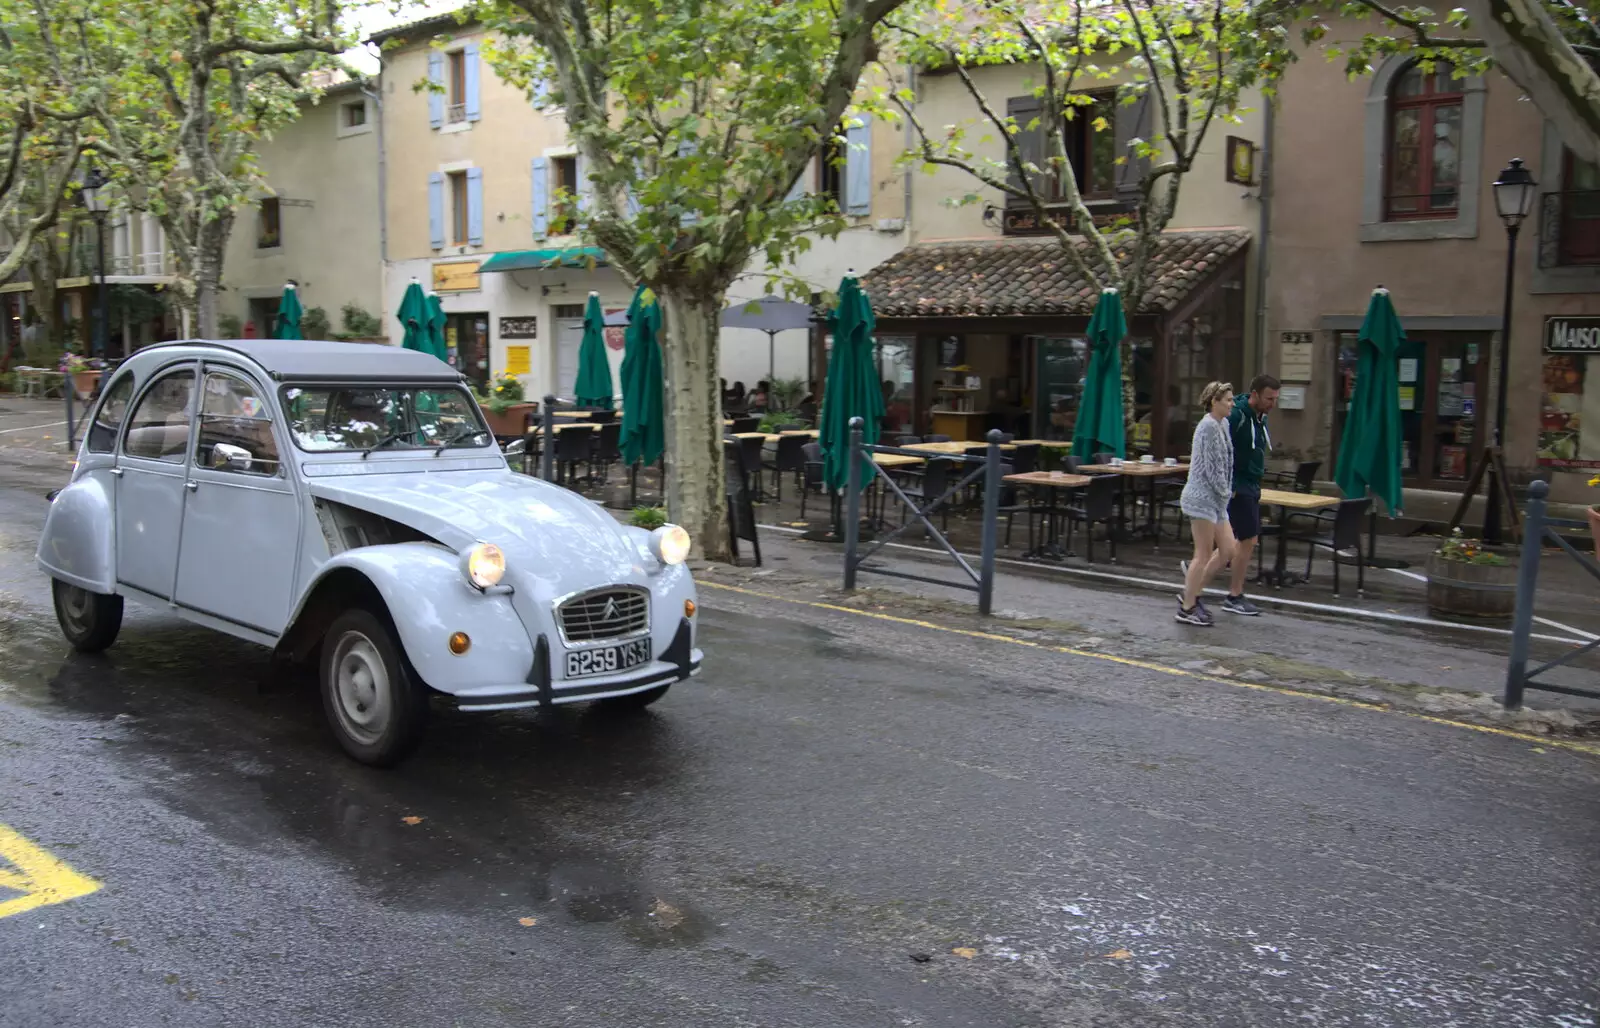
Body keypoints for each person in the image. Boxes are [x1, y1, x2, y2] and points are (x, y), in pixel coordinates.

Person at [1177, 382, 1236, 626]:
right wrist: (1226, 491)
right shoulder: (1208, 426)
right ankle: (1187, 608)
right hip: (1202, 497)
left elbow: (1226, 462)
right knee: (1202, 554)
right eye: (1229, 400)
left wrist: (1224, 493)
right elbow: (1212, 468)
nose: (1232, 404)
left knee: (1228, 551)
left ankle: (1192, 591)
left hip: (1217, 500)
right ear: (1214, 401)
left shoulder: (1224, 424)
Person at [1222, 373, 1280, 615]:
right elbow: (1224, 448)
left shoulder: (1260, 416)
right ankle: (1234, 595)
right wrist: (1231, 484)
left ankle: (1200, 568)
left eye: (1276, 399)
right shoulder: (1237, 415)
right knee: (1246, 539)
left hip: (1252, 483)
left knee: (1238, 541)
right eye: (1269, 398)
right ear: (1255, 394)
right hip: (1239, 484)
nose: (1272, 403)